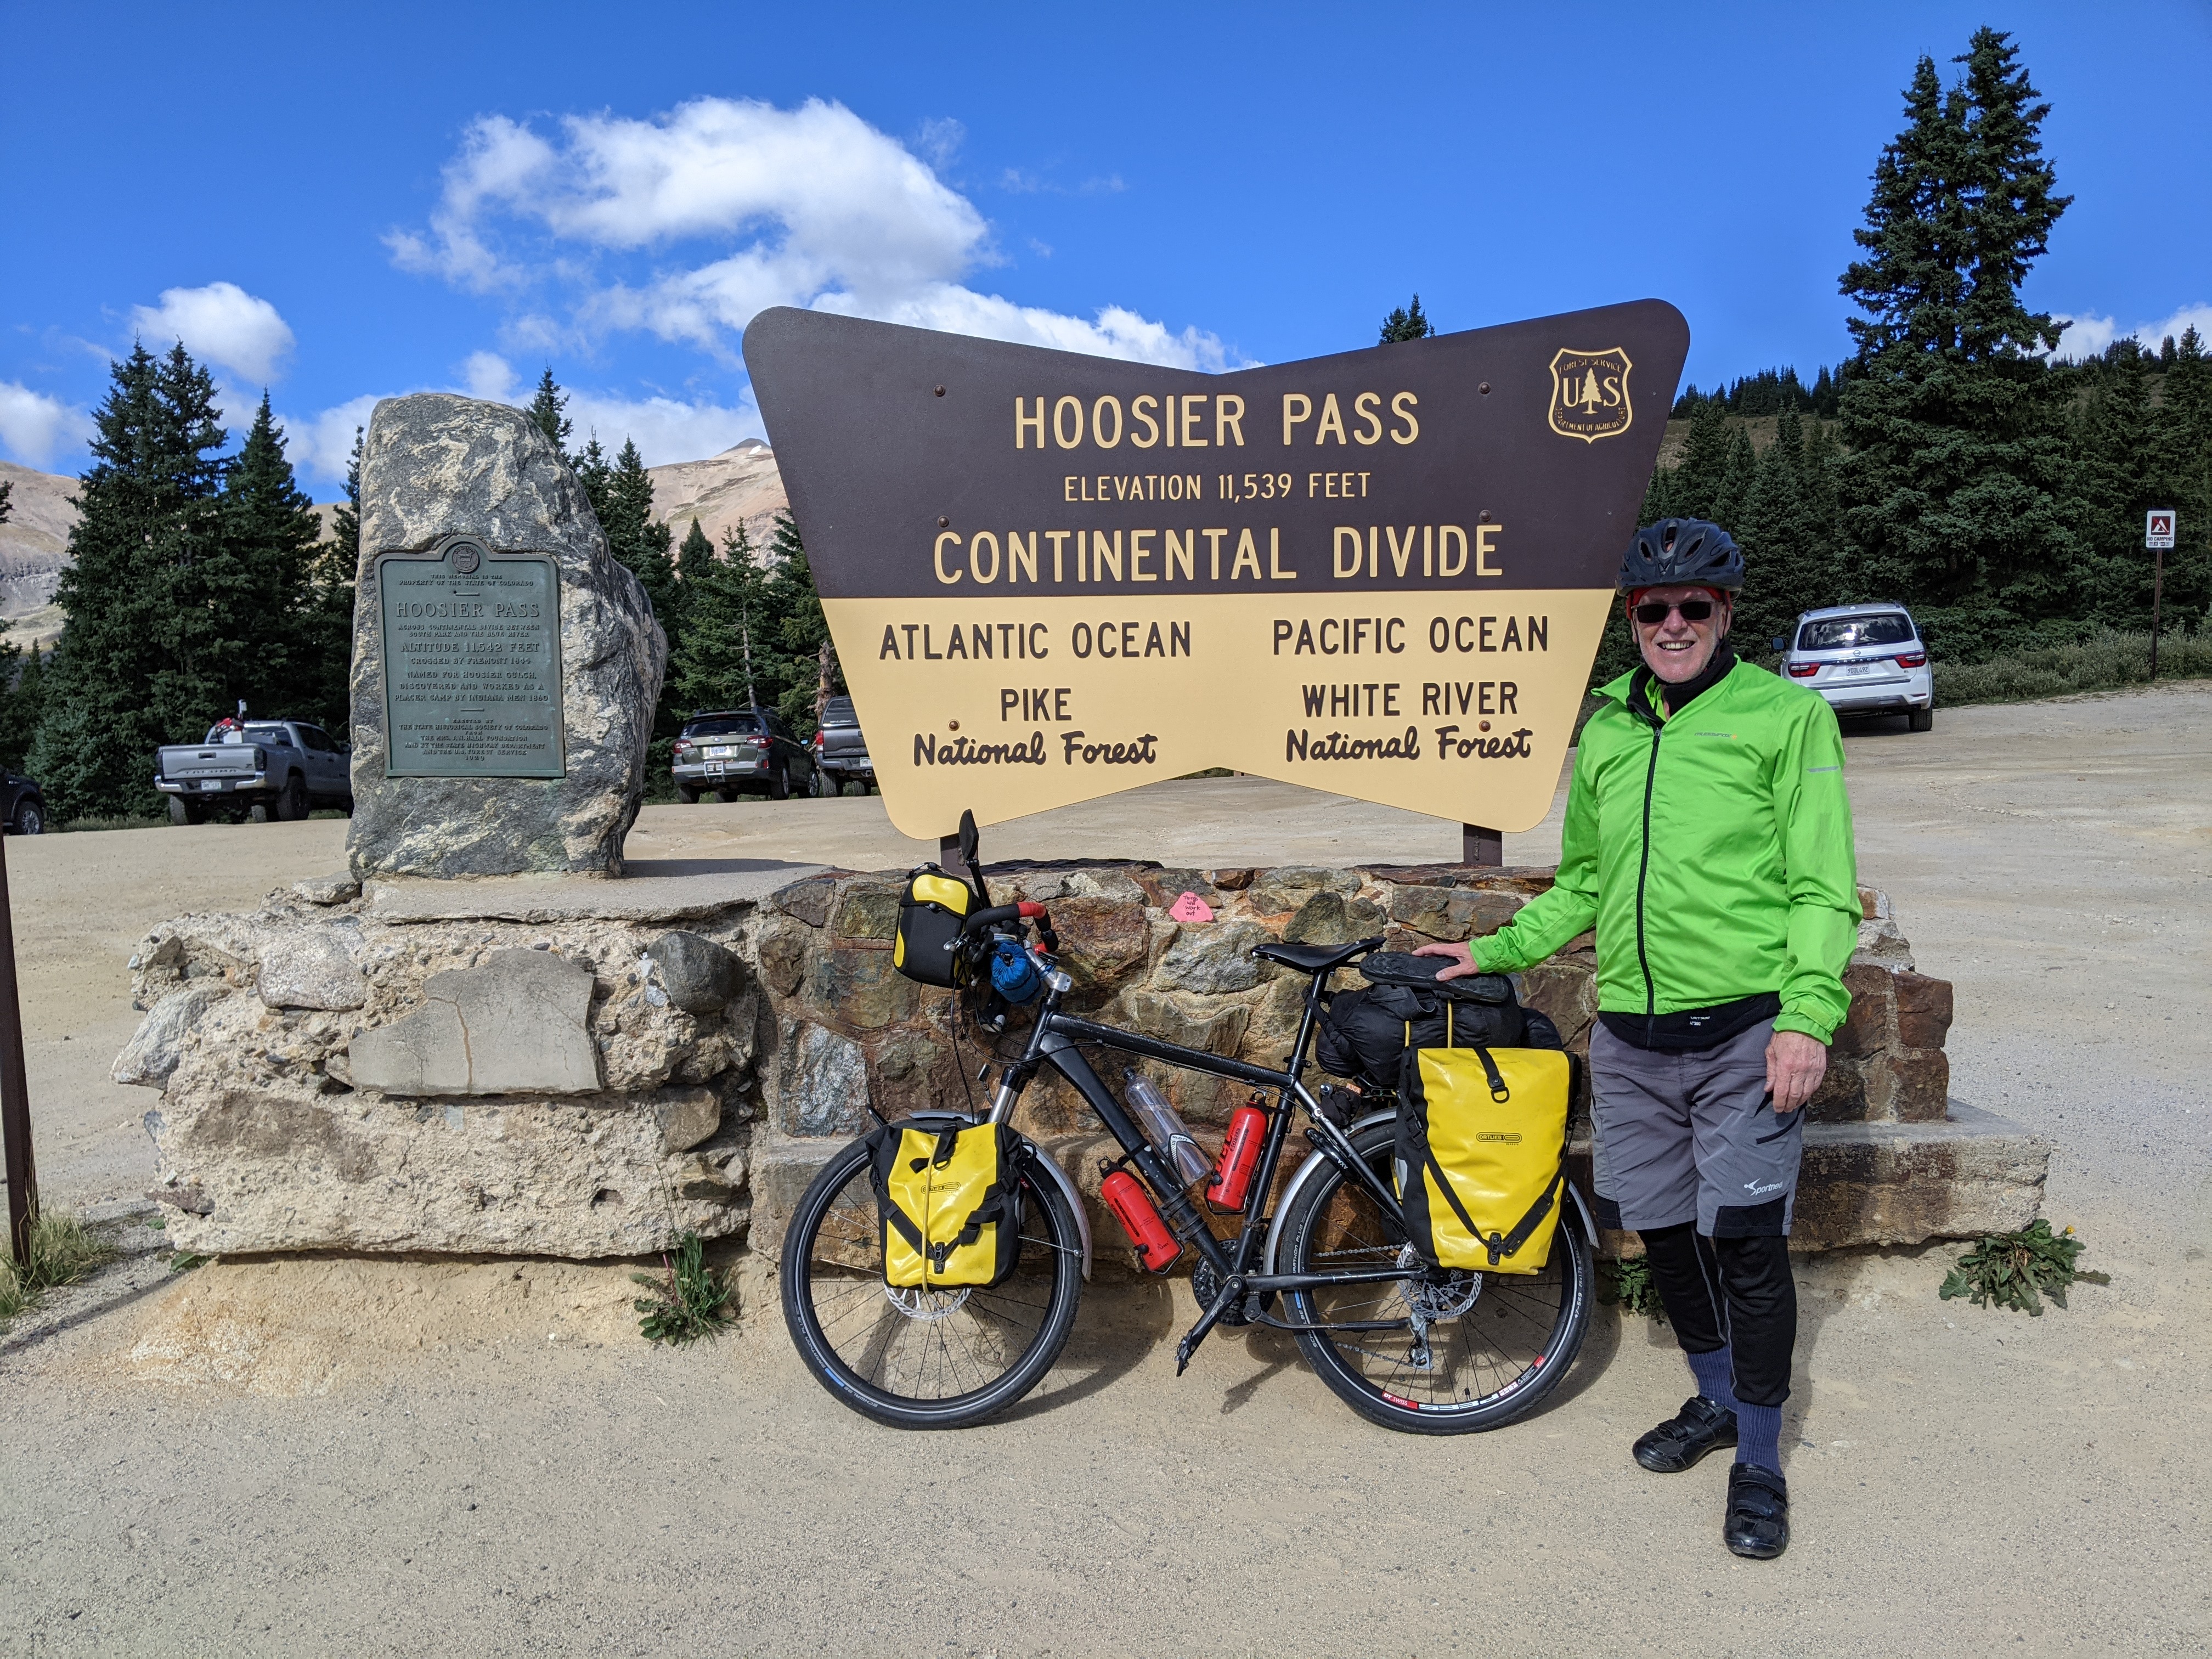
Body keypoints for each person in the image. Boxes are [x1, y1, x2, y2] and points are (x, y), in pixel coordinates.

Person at [1416, 517, 1859, 1560]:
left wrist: (1806, 1018)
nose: (1672, 625)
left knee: (1746, 1247)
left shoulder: (1786, 718)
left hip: (1746, 1035)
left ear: (1725, 613)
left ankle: (1759, 1459)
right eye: (1653, 609)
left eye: (1693, 607)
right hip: (1631, 1040)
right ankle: (1716, 1399)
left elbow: (1822, 885)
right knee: (1660, 1232)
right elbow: (1583, 881)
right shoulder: (1611, 728)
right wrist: (1497, 949)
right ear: (1631, 618)